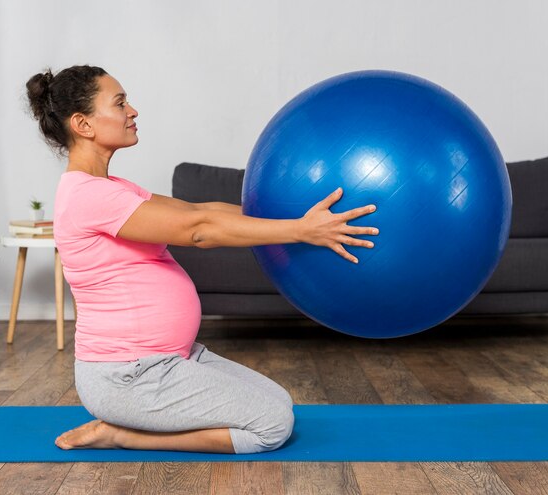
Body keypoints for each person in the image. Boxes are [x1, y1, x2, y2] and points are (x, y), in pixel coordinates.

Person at [25, 65, 378, 454]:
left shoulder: (109, 188)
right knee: (272, 426)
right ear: (83, 124)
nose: (133, 111)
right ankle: (121, 434)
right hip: (129, 376)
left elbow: (200, 208)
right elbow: (198, 230)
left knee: (278, 401)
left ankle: (129, 422)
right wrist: (300, 231)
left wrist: (295, 216)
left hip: (169, 360)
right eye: (120, 103)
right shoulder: (89, 197)